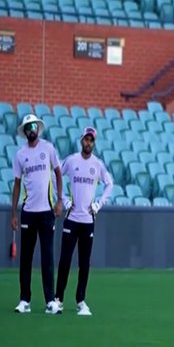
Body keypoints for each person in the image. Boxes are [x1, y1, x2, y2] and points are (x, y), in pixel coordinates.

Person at [54, 127, 113, 316]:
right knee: (64, 260)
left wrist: (98, 205)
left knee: (84, 263)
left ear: (94, 143)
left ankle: (80, 300)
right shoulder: (71, 161)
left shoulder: (98, 164)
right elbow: (56, 177)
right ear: (81, 141)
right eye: (86, 140)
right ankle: (58, 299)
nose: (88, 143)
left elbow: (110, 184)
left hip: (88, 220)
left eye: (91, 140)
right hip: (72, 218)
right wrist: (63, 199)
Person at [11, 114, 63, 314]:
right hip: (28, 211)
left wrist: (59, 200)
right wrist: (13, 213)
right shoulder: (20, 154)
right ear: (24, 131)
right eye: (28, 127)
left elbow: (58, 173)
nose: (31, 129)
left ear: (38, 128)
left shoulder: (48, 148)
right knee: (26, 257)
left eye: (34, 126)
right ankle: (25, 300)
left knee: (47, 256)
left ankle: (50, 300)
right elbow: (16, 184)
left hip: (47, 211)